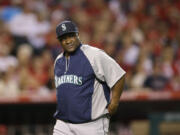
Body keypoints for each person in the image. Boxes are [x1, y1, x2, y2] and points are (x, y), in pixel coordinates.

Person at [53, 20, 126, 135]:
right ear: (59, 41)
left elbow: (119, 75)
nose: (68, 41)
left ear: (78, 35)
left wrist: (115, 102)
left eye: (71, 36)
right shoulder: (58, 60)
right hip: (63, 124)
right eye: (63, 38)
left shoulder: (94, 55)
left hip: (91, 124)